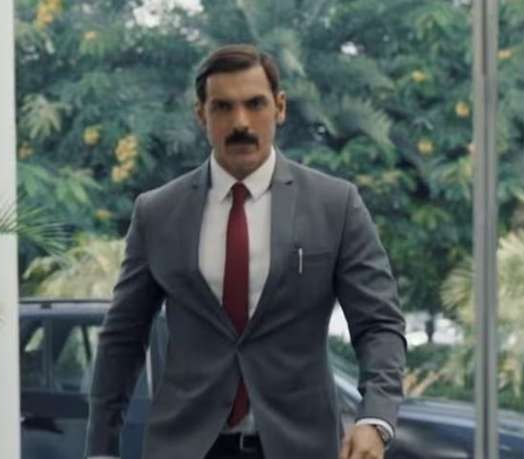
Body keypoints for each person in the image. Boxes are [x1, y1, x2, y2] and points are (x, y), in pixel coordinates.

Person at [84, 44, 407, 459]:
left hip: (301, 446)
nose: (240, 122)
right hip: (185, 447)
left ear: (280, 107)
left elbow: (379, 324)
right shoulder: (157, 212)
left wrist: (375, 417)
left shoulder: (335, 205)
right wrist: (101, 448)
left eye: (255, 104)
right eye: (222, 107)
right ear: (201, 114)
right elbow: (123, 337)